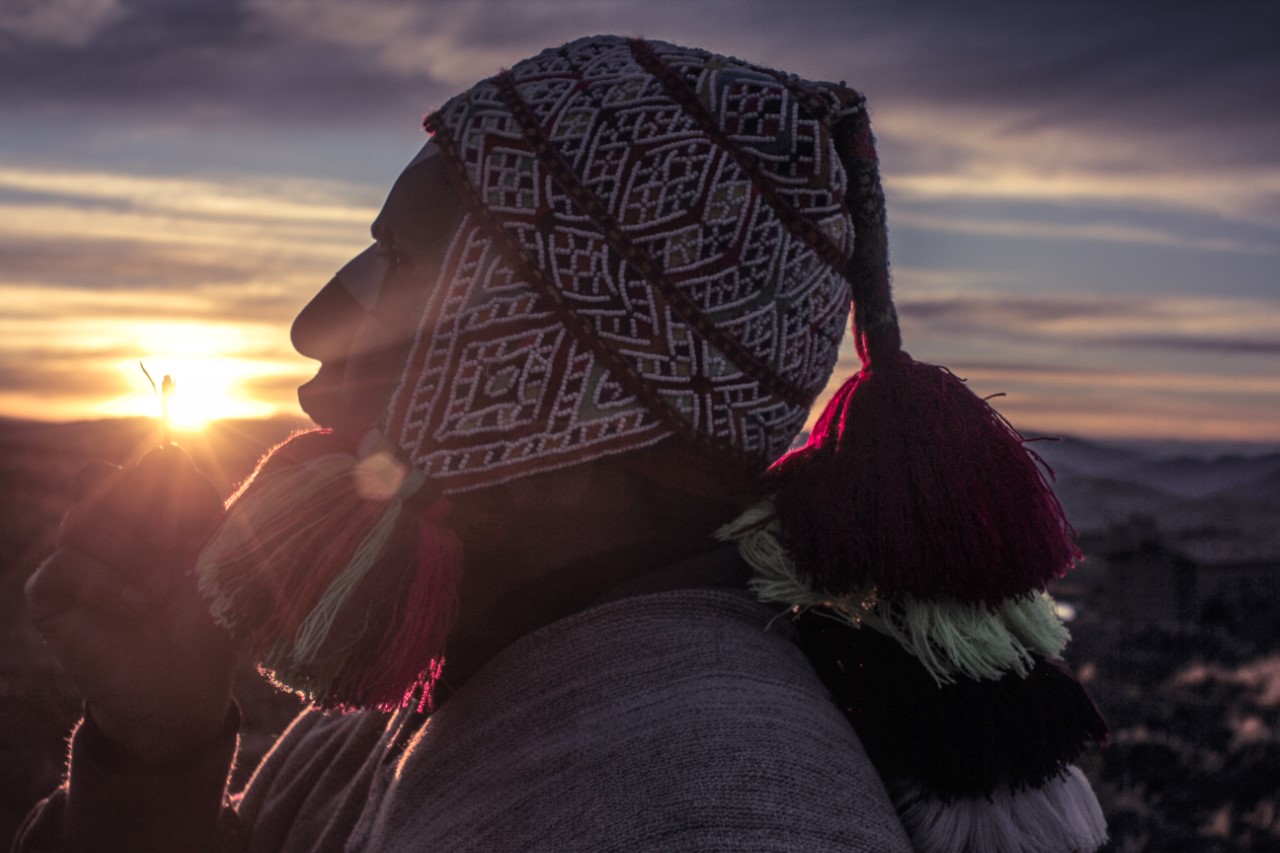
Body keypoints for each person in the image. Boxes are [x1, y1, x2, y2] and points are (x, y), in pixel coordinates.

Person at [17, 36, 1109, 852]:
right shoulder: (460, 676)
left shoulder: (703, 803)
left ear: (560, 389)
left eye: (397, 268)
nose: (315, 324)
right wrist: (154, 746)